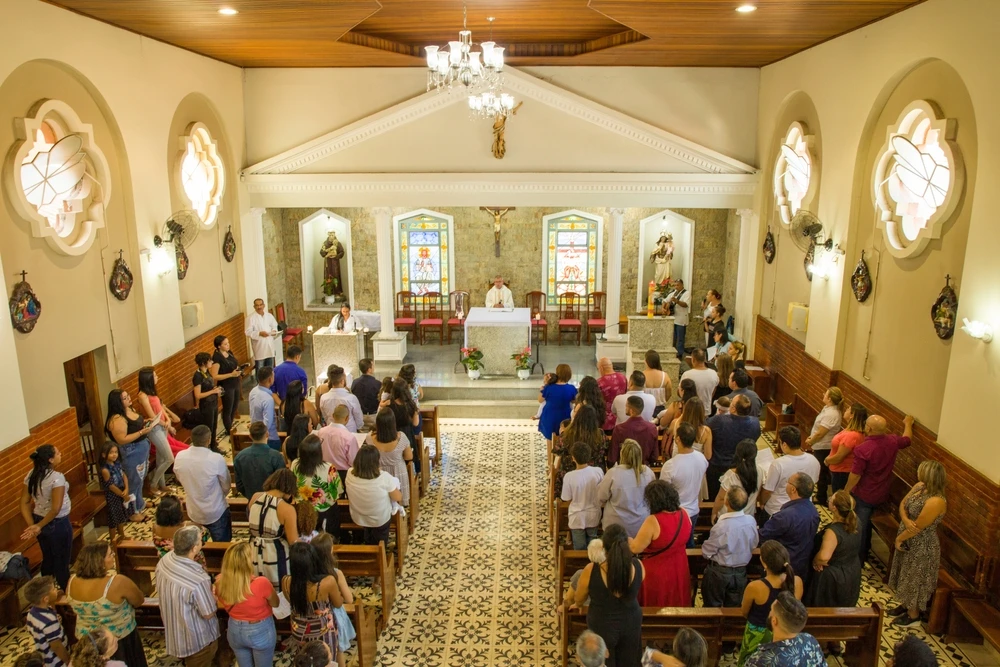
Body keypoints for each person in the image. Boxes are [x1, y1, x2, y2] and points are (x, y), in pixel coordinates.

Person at [887, 460, 948, 629]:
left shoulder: (936, 501)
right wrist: (906, 520)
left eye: (921, 471)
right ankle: (905, 605)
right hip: (908, 536)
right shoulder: (920, 486)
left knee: (915, 577)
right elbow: (903, 504)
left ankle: (913, 615)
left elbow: (919, 527)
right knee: (905, 572)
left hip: (922, 545)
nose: (918, 473)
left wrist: (900, 538)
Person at [845, 414, 914, 563]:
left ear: (868, 428)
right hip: (882, 493)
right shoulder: (892, 441)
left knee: (860, 527)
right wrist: (908, 423)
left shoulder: (863, 449)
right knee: (867, 523)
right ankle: (866, 551)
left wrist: (845, 491)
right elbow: (907, 439)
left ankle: (858, 559)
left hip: (864, 494)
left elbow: (856, 475)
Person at [65, 543, 147, 667]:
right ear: (99, 561)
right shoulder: (117, 582)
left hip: (87, 640)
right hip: (118, 639)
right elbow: (139, 600)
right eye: (110, 554)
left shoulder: (72, 581)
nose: (113, 555)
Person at [575, 524, 644, 667]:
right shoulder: (638, 566)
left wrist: (579, 604)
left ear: (603, 547)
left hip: (602, 625)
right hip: (631, 623)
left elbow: (579, 598)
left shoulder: (591, 570)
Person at [156, 525, 220, 666]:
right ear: (194, 548)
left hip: (175, 630)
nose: (201, 542)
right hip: (196, 640)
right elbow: (208, 613)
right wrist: (214, 595)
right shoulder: (198, 579)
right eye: (199, 540)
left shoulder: (164, 561)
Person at [214, 541, 279, 667]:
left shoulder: (220, 582)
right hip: (260, 629)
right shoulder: (261, 583)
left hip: (234, 628)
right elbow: (275, 603)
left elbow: (223, 601)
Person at [737, 541, 803, 666]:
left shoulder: (755, 587)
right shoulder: (797, 581)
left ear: (764, 563)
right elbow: (794, 609)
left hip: (758, 633)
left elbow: (744, 612)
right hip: (786, 631)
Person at [629, 481, 691, 607]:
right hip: (679, 565)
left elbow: (635, 548)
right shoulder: (684, 513)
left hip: (657, 570)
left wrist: (628, 539)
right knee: (678, 596)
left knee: (657, 601)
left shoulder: (653, 521)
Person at [20, 445, 74, 589]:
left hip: (39, 519)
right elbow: (55, 509)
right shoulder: (56, 478)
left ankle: (45, 591)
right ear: (50, 459)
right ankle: (66, 595)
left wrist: (33, 524)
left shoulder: (31, 474)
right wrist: (38, 526)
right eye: (57, 453)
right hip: (57, 524)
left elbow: (24, 503)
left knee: (48, 558)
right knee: (61, 562)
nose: (60, 454)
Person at [281, 543, 344, 663]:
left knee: (305, 660)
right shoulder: (327, 582)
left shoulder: (286, 581)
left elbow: (292, 601)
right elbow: (338, 603)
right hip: (322, 630)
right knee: (326, 661)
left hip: (299, 630)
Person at [806, 490, 861, 618]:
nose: (829, 499)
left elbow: (824, 557)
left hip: (833, 578)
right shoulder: (856, 521)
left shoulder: (833, 532)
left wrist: (815, 561)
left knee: (824, 613)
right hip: (851, 570)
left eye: (831, 499)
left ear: (834, 508)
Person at [173, 425, 233, 542]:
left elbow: (179, 478)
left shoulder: (180, 456)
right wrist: (220, 496)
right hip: (216, 510)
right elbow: (226, 485)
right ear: (209, 439)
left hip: (194, 510)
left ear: (191, 438)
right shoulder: (216, 459)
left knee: (197, 545)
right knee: (222, 545)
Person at [702, 486, 758, 608]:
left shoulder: (721, 526)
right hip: (741, 570)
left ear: (726, 502)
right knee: (734, 606)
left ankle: (714, 626)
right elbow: (754, 544)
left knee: (713, 605)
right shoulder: (751, 521)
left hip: (719, 571)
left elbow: (707, 551)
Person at [759, 473, 820, 580]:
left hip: (781, 567)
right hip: (802, 565)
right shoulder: (814, 511)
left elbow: (763, 536)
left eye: (788, 481)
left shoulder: (784, 516)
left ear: (793, 489)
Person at [135, 367, 186, 495]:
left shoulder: (152, 392)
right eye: (155, 375)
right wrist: (164, 423)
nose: (157, 377)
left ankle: (162, 485)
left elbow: (161, 409)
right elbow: (151, 415)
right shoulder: (142, 395)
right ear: (148, 379)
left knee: (161, 459)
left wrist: (168, 421)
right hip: (155, 429)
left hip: (163, 427)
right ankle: (153, 484)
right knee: (169, 458)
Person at [103, 389, 154, 516]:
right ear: (118, 402)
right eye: (125, 398)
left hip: (141, 447)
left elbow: (135, 424)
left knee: (140, 478)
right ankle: (132, 512)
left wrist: (146, 422)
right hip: (131, 451)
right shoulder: (117, 419)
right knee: (133, 480)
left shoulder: (129, 410)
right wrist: (142, 432)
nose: (129, 398)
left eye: (128, 396)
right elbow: (122, 439)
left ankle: (139, 503)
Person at [742, 592, 824, 667]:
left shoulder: (759, 660)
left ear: (774, 621)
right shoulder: (810, 640)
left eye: (771, 610)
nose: (769, 612)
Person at [312, 533, 357, 666]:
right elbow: (349, 599)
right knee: (338, 650)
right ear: (330, 552)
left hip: (316, 616)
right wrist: (341, 596)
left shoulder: (309, 574)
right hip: (334, 617)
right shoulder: (336, 573)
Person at [659, 423, 708, 547]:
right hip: (693, 509)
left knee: (674, 543)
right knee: (689, 540)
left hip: (676, 513)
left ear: (678, 439)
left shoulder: (670, 465)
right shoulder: (702, 458)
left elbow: (663, 492)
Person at [345, 444, 404, 546]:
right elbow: (398, 497)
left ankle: (365, 542)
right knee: (378, 541)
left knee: (368, 533)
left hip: (358, 516)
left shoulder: (350, 473)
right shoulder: (384, 478)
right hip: (379, 520)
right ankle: (380, 554)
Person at [249, 468, 299, 585]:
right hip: (275, 553)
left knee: (256, 585)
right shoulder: (287, 509)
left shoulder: (255, 497)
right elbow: (293, 541)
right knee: (277, 589)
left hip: (253, 549)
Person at [706, 395, 760, 501]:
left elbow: (705, 427)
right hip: (743, 468)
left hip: (719, 465)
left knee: (714, 497)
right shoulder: (755, 423)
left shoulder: (719, 420)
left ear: (733, 408)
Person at [759, 426, 819, 519]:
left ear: (784, 445)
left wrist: (762, 502)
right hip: (804, 509)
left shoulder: (778, 464)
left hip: (777, 509)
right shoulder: (814, 460)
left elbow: (767, 491)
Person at [598, 440, 655, 537]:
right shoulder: (648, 473)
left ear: (622, 454)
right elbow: (653, 497)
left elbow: (601, 496)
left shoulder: (613, 473)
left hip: (615, 524)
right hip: (641, 523)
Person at [292, 433, 343, 534]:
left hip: (302, 510)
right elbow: (337, 493)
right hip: (323, 512)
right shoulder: (328, 468)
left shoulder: (295, 465)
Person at [553, 405, 607, 496]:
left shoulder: (567, 433)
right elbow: (606, 450)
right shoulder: (600, 434)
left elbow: (557, 451)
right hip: (594, 476)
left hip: (571, 472)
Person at [802, 387, 843, 505]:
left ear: (829, 399)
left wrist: (811, 440)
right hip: (819, 444)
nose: (823, 394)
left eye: (826, 394)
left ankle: (821, 496)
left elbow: (821, 432)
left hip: (824, 446)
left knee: (821, 472)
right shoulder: (828, 408)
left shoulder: (832, 414)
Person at [562, 442, 605, 550]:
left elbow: (566, 498)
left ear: (573, 458)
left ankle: (581, 565)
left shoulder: (569, 476)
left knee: (579, 547)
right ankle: (593, 565)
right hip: (594, 514)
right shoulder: (598, 471)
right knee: (594, 547)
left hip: (577, 517)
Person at [366, 407, 412, 505]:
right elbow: (409, 457)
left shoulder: (370, 438)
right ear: (393, 423)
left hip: (379, 473)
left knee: (383, 502)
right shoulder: (401, 437)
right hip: (398, 472)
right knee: (398, 501)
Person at [24, 576, 70, 667]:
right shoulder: (49, 621)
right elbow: (56, 646)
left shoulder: (31, 613)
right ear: (45, 599)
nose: (56, 590)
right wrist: (68, 661)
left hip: (44, 654)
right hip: (56, 660)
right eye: (53, 589)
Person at [234, 420, 286, 499]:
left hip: (252, 501)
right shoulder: (276, 456)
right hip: (272, 502)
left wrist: (251, 496)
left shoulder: (240, 457)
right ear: (267, 434)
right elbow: (282, 483)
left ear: (250, 436)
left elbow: (239, 485)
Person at [712, 439, 761, 523]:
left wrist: (714, 513)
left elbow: (720, 498)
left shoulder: (731, 475)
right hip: (748, 516)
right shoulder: (761, 471)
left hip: (728, 517)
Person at [153, 495, 208, 566]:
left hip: (168, 564)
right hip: (191, 565)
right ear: (178, 513)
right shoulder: (190, 527)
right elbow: (205, 537)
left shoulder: (155, 527)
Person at [98, 443, 136, 544]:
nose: (114, 455)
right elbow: (111, 486)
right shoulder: (105, 470)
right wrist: (123, 495)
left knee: (121, 516)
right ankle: (113, 540)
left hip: (122, 491)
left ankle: (122, 536)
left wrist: (127, 488)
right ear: (103, 455)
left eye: (115, 452)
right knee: (113, 518)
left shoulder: (117, 464)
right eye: (111, 453)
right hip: (113, 495)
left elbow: (124, 476)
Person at [825, 402, 868, 492]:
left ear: (852, 415)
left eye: (848, 409)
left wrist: (827, 460)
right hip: (840, 471)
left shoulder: (851, 436)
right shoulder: (854, 432)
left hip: (841, 473)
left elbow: (839, 457)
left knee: (838, 499)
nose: (846, 410)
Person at [210, 335, 246, 437]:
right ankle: (229, 430)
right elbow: (215, 376)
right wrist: (231, 374)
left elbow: (233, 365)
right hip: (226, 385)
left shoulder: (229, 353)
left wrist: (239, 370)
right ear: (218, 346)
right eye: (225, 344)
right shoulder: (216, 358)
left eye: (228, 343)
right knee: (228, 409)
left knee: (235, 406)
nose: (228, 345)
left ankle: (230, 425)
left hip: (235, 382)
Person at [317, 404, 359, 487]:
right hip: (342, 474)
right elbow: (354, 461)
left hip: (324, 470)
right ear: (347, 418)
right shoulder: (349, 437)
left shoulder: (321, 432)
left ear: (332, 416)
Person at [610, 396, 659, 466]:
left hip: (624, 469)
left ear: (631, 410)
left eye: (626, 406)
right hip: (643, 469)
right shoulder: (652, 428)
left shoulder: (620, 429)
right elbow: (654, 456)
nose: (625, 408)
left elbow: (612, 457)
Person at [538, 365, 578, 446]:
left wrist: (544, 387)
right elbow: (574, 401)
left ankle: (550, 457)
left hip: (550, 416)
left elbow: (540, 400)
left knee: (550, 439)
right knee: (564, 438)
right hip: (565, 416)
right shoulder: (571, 388)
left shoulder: (549, 387)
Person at [192, 352, 222, 451]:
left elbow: (209, 386)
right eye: (210, 361)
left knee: (214, 426)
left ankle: (214, 445)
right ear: (204, 362)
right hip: (206, 406)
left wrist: (216, 390)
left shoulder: (207, 372)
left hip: (213, 402)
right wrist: (212, 391)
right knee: (209, 427)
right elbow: (198, 395)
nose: (212, 362)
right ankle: (208, 448)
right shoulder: (198, 376)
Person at [320, 367, 364, 433]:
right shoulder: (351, 398)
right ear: (342, 381)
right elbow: (358, 417)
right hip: (349, 431)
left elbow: (325, 416)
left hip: (331, 431)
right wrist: (358, 427)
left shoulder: (324, 398)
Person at [249, 366, 281, 450]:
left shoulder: (253, 391)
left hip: (255, 433)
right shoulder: (267, 399)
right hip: (269, 438)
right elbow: (267, 423)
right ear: (270, 380)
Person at [680, 348, 718, 417]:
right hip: (705, 410)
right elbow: (713, 391)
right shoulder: (714, 373)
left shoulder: (687, 374)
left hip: (690, 410)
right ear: (704, 359)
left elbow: (681, 392)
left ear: (693, 359)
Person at [245, 298, 279, 371]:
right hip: (259, 347)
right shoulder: (250, 318)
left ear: (264, 305)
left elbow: (274, 325)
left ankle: (270, 382)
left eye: (260, 305)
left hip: (269, 345)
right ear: (254, 307)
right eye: (257, 305)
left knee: (270, 369)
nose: (259, 307)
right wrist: (259, 333)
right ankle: (260, 382)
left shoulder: (269, 316)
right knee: (260, 370)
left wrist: (274, 331)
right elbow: (248, 332)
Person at [596, 357, 627, 433]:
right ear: (611, 366)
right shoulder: (623, 378)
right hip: (622, 417)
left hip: (606, 421)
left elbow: (596, 401)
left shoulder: (599, 382)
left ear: (601, 368)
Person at [351, 358, 382, 425]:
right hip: (373, 415)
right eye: (373, 366)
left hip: (359, 415)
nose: (374, 367)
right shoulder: (377, 383)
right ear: (369, 369)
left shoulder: (355, 382)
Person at [666, 278, 690, 359]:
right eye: (675, 285)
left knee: (680, 338)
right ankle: (672, 351)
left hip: (681, 319)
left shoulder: (686, 293)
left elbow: (686, 304)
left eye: (678, 285)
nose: (676, 287)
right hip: (673, 318)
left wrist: (677, 301)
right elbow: (665, 300)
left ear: (682, 285)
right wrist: (664, 307)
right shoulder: (674, 293)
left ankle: (679, 354)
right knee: (673, 337)